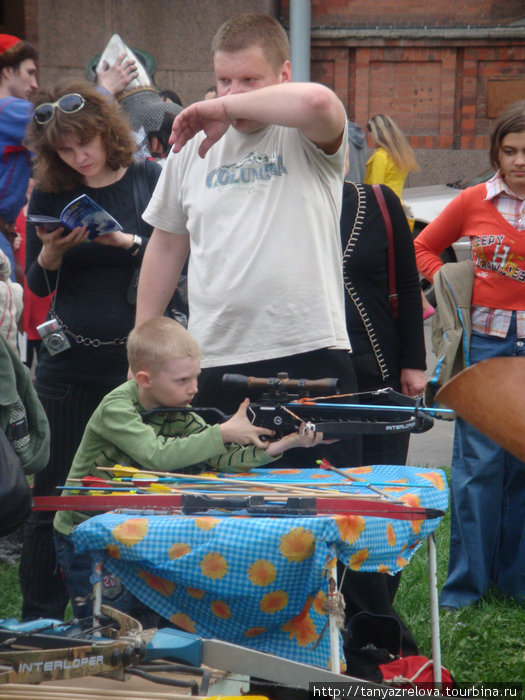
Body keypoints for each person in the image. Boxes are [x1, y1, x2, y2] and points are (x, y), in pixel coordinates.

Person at [136, 13, 361, 468]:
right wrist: (142, 343)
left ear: (283, 76)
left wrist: (218, 109)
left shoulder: (303, 134)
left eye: (248, 81)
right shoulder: (191, 150)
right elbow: (165, 247)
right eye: (223, 81)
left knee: (324, 515)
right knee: (221, 516)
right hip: (215, 357)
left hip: (310, 351)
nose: (233, 94)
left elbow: (319, 102)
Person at [53, 316, 326, 622]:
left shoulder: (178, 411)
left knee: (147, 620)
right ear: (144, 380)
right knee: (105, 623)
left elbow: (218, 458)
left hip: (133, 532)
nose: (194, 388)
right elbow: (157, 454)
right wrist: (221, 432)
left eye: (196, 376)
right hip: (86, 534)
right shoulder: (117, 408)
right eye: (182, 380)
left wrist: (281, 446)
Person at [18, 78, 162, 621]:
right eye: (66, 150)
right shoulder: (51, 193)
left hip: (137, 364)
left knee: (137, 493)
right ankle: (42, 618)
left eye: (86, 144)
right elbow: (34, 282)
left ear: (107, 132)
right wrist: (53, 254)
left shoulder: (149, 177)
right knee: (52, 496)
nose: (79, 157)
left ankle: (130, 614)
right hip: (68, 363)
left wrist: (126, 243)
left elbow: (181, 260)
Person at [414, 99, 525, 610]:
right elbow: (425, 247)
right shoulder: (475, 200)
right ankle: (463, 593)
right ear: (497, 154)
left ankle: (516, 586)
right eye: (510, 150)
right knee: (478, 468)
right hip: (484, 345)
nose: (520, 160)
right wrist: (445, 284)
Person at [337, 171, 427, 666]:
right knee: (338, 503)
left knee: (382, 496)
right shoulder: (275, 201)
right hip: (313, 382)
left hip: (383, 374)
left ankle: (377, 620)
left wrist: (414, 361)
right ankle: (361, 629)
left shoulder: (376, 200)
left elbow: (407, 282)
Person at [364, 114, 434, 320]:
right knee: (398, 264)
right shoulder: (400, 155)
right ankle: (420, 305)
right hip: (400, 214)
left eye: (370, 133)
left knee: (383, 264)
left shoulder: (380, 156)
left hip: (382, 215)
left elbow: (374, 189)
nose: (369, 138)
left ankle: (406, 306)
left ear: (376, 133)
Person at [0, 34, 38, 280]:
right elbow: (66, 123)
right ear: (6, 71)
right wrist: (106, 89)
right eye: (29, 72)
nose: (35, 84)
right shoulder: (8, 109)